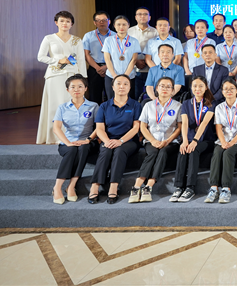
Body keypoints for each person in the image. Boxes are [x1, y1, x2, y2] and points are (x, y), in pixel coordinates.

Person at [89, 74, 142, 204]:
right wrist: (107, 141)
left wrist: (121, 141)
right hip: (108, 138)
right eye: (118, 84)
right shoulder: (104, 106)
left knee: (119, 150)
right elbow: (99, 129)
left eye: (125, 84)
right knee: (105, 150)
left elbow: (136, 128)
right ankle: (95, 185)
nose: (122, 86)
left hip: (129, 141)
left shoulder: (135, 105)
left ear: (130, 87)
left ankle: (113, 185)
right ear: (112, 87)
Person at [37, 11, 88, 145]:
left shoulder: (77, 40)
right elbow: (41, 57)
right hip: (54, 76)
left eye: (68, 21)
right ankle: (54, 136)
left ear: (71, 24)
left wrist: (83, 79)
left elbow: (81, 60)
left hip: (72, 75)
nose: (65, 24)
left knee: (71, 104)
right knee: (55, 105)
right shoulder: (49, 38)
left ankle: (71, 135)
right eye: (62, 21)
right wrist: (58, 60)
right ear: (56, 23)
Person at [130, 77, 182, 203]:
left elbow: (180, 127)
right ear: (157, 88)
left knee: (163, 152)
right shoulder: (148, 105)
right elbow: (143, 126)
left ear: (172, 90)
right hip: (151, 140)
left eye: (168, 87)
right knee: (152, 153)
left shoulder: (178, 106)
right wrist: (153, 140)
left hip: (170, 141)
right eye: (162, 86)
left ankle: (149, 186)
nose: (165, 89)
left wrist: (167, 141)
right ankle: (136, 186)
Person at [51, 74, 97, 204]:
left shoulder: (93, 106)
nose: (76, 89)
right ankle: (57, 187)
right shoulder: (62, 108)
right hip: (68, 141)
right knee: (71, 150)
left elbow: (99, 127)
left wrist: (88, 139)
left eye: (80, 86)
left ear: (85, 88)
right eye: (73, 87)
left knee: (83, 148)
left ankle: (71, 186)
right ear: (68, 90)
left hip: (87, 141)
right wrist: (68, 143)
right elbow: (56, 128)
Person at [170, 76, 215, 203]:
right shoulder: (186, 103)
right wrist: (184, 141)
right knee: (183, 150)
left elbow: (204, 123)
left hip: (206, 139)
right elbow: (184, 123)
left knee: (193, 150)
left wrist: (194, 141)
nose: (197, 88)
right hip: (189, 138)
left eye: (201, 86)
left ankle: (190, 187)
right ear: (191, 87)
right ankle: (179, 187)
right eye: (195, 86)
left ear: (206, 87)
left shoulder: (211, 103)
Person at [206, 78, 237, 204]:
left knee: (228, 153)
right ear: (222, 92)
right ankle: (214, 188)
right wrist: (224, 142)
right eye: (226, 89)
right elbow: (218, 128)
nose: (229, 91)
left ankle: (226, 188)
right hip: (223, 140)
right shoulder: (219, 107)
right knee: (217, 153)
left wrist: (232, 142)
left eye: (232, 88)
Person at [103, 15, 140, 100]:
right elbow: (107, 59)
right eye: (118, 24)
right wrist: (115, 76)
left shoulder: (134, 41)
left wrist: (125, 76)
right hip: (111, 76)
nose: (121, 27)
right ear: (114, 26)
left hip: (129, 76)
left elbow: (134, 59)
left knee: (128, 101)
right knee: (112, 101)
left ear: (128, 25)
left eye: (124, 24)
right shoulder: (108, 40)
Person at [128, 7, 158, 101]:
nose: (142, 16)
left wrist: (147, 61)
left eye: (145, 14)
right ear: (136, 17)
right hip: (133, 69)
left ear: (150, 17)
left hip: (151, 69)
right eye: (140, 14)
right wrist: (136, 61)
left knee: (151, 97)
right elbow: (125, 50)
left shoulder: (155, 32)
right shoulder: (129, 31)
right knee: (135, 97)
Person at [83, 11, 112, 103]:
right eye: (98, 20)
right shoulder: (88, 36)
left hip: (111, 68)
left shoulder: (115, 36)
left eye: (104, 20)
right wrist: (98, 68)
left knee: (111, 95)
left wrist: (106, 67)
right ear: (94, 23)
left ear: (109, 21)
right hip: (94, 68)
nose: (101, 22)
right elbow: (86, 54)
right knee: (94, 96)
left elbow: (118, 55)